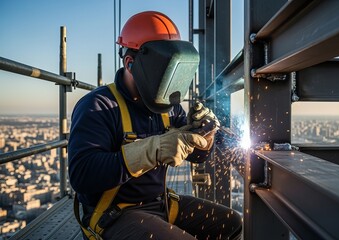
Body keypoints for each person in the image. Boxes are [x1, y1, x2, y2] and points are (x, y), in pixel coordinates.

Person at [68, 11, 242, 240]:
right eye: (163, 70)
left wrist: (204, 135)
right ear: (131, 64)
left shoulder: (167, 107)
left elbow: (197, 157)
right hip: (114, 215)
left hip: (161, 204)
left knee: (232, 224)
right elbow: (83, 175)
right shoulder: (98, 106)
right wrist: (152, 150)